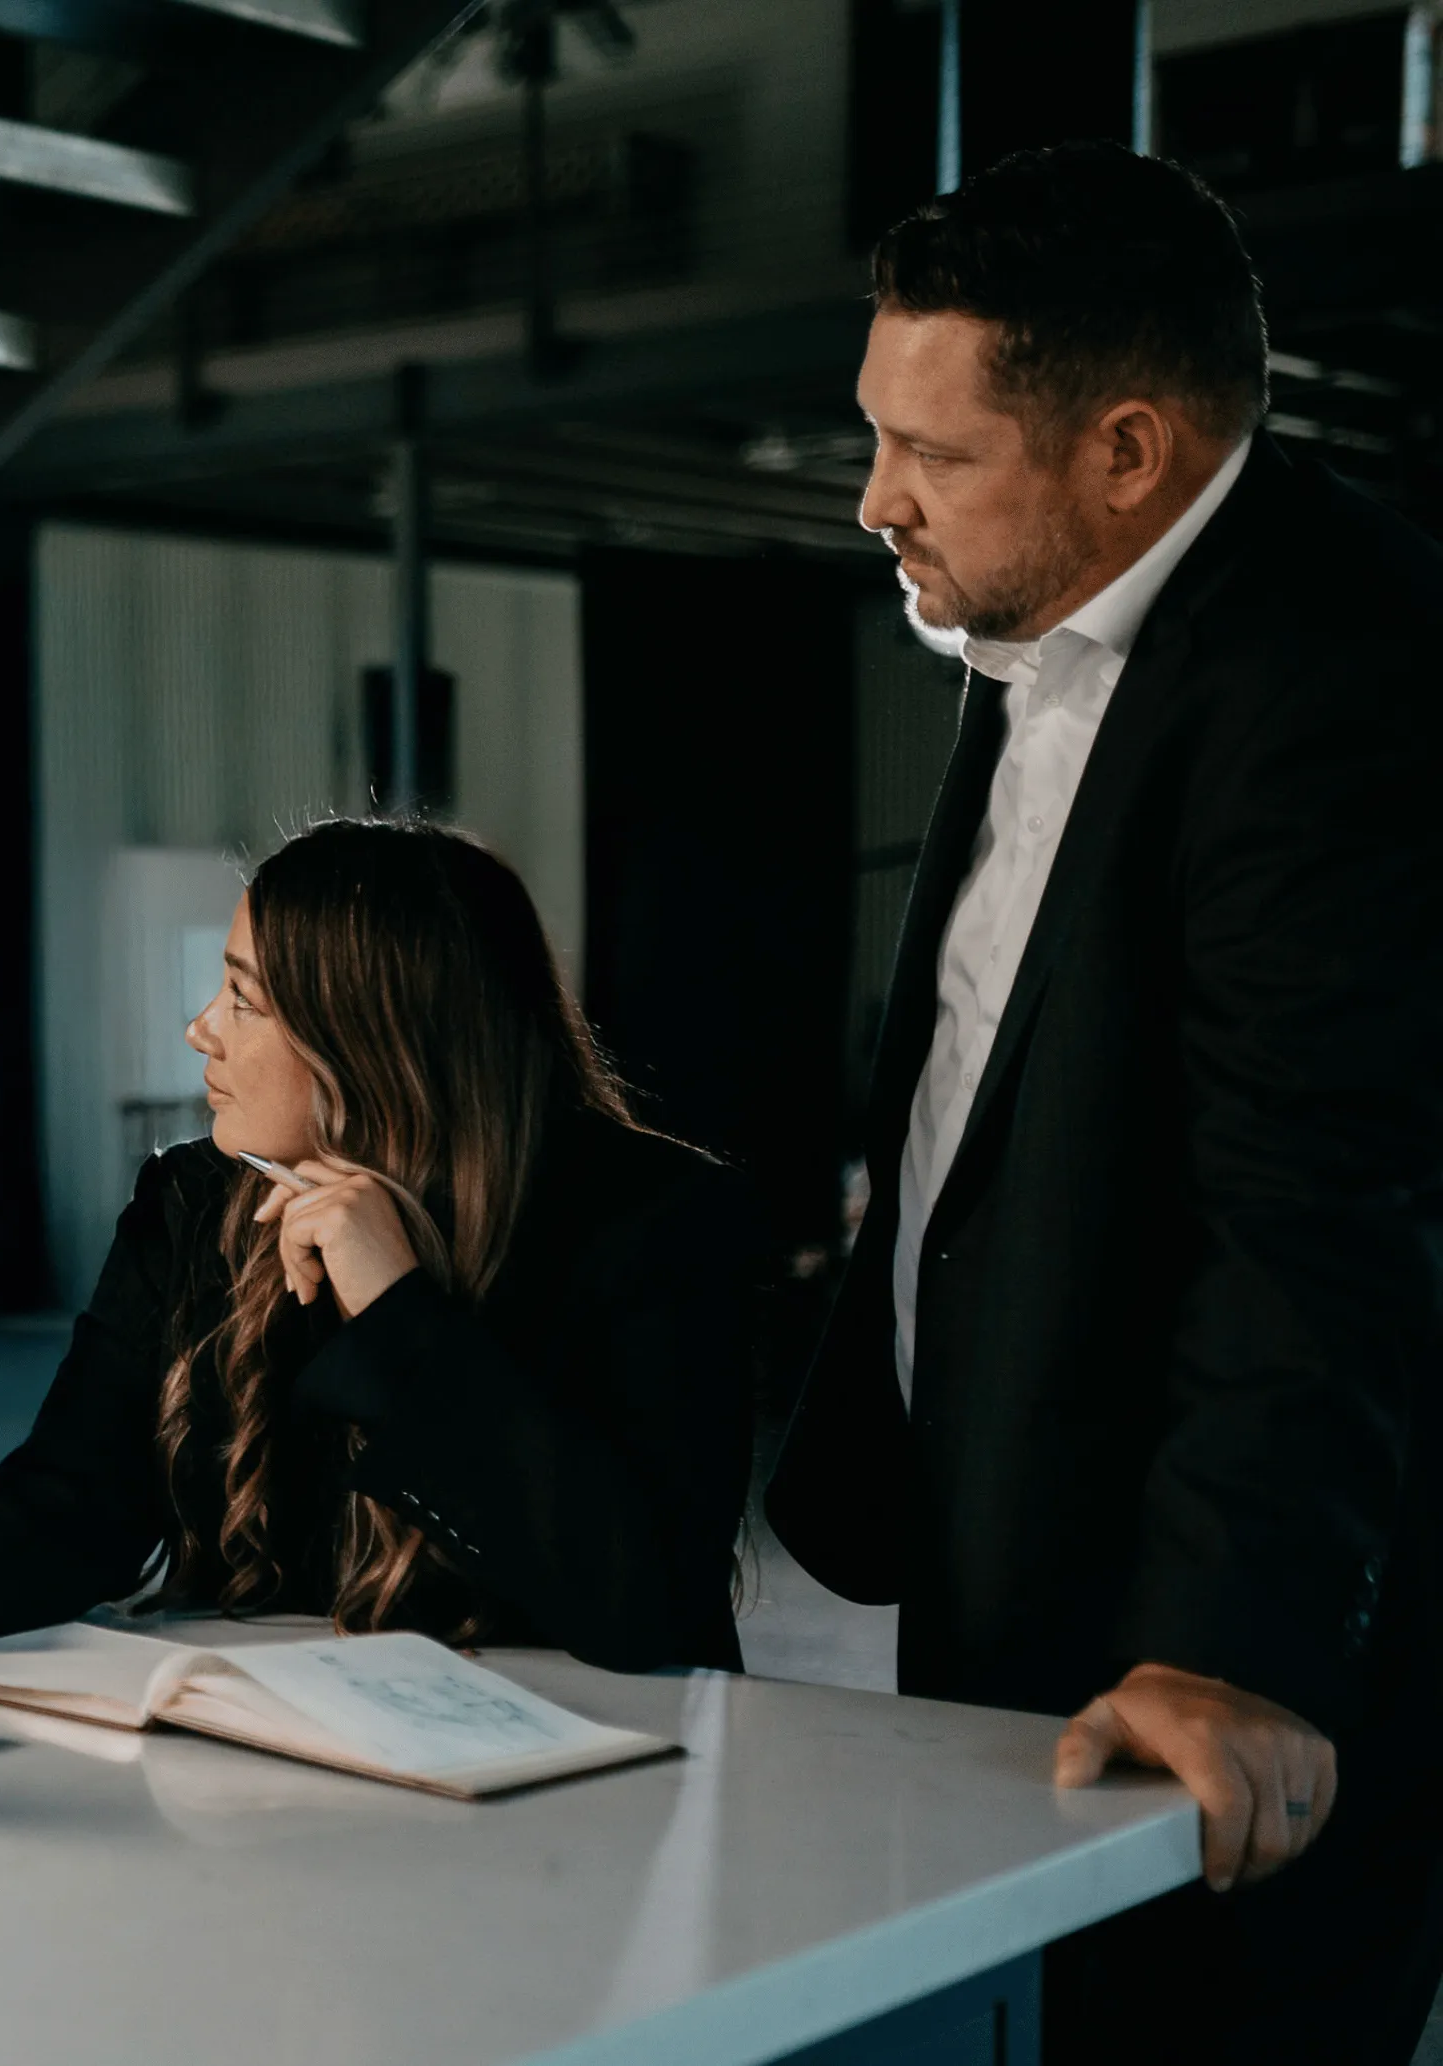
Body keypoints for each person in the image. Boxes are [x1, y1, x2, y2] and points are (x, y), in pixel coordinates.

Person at [763, 142, 1443, 2060]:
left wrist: (1231, 1647)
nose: (876, 496)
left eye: (931, 449)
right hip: (1002, 1551)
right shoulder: (1042, 612)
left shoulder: (1347, 664)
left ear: (1129, 450)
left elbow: (1326, 1197)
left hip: (1204, 1640)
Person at [0, 819, 754, 1687]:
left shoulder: (652, 1216)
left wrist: (398, 1313)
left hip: (579, 1770)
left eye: (245, 998)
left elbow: (643, 1607)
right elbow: (72, 1494)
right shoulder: (195, 1202)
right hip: (281, 1759)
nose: (201, 1028)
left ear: (373, 1038)